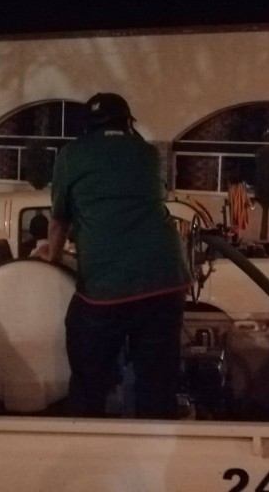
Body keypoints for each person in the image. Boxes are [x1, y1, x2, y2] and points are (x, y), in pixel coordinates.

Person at [39, 92, 192, 419]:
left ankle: (88, 435)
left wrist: (52, 257)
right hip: (165, 278)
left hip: (106, 288)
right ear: (127, 122)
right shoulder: (148, 153)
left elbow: (58, 221)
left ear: (87, 126)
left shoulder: (71, 155)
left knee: (88, 378)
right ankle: (156, 442)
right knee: (157, 383)